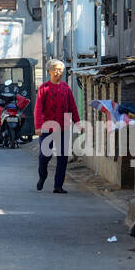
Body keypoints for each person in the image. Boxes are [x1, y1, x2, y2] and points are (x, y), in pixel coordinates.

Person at [35, 58, 78, 194]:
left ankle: (58, 185)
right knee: (44, 155)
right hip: (47, 127)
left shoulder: (66, 88)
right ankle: (42, 176)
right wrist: (38, 126)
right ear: (49, 71)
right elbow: (38, 109)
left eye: (60, 70)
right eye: (56, 69)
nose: (58, 72)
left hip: (63, 127)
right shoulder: (44, 88)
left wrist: (78, 123)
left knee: (62, 157)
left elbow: (73, 107)